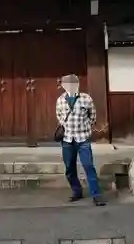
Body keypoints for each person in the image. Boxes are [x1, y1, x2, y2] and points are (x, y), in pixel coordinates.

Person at [56, 74, 106, 206]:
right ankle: (76, 191)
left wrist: (86, 126)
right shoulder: (60, 100)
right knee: (69, 168)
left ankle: (96, 194)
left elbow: (92, 116)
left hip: (83, 138)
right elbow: (59, 115)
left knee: (88, 166)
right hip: (67, 139)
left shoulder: (86, 98)